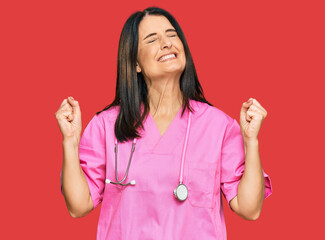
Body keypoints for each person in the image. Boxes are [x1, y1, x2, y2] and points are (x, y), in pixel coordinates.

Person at [55, 7, 272, 240]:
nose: (167, 43)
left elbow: (250, 209)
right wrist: (70, 141)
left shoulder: (219, 126)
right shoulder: (107, 125)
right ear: (135, 63)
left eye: (171, 34)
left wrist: (251, 142)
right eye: (152, 39)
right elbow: (78, 206)